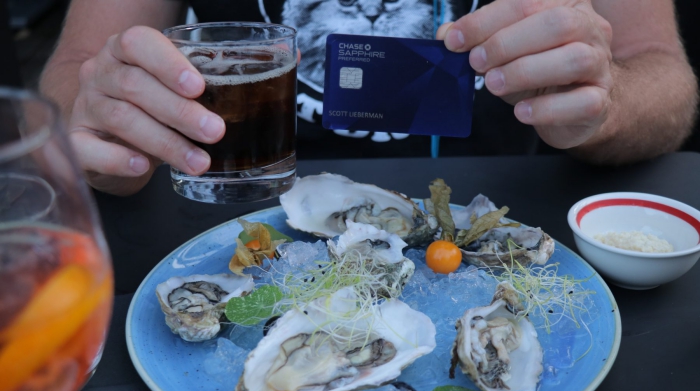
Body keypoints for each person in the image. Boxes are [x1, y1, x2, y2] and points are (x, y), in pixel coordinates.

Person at [40, 0, 698, 197]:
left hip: (500, 220)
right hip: (230, 227)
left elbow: (662, 72)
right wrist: (102, 128)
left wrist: (608, 102)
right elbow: (74, 69)